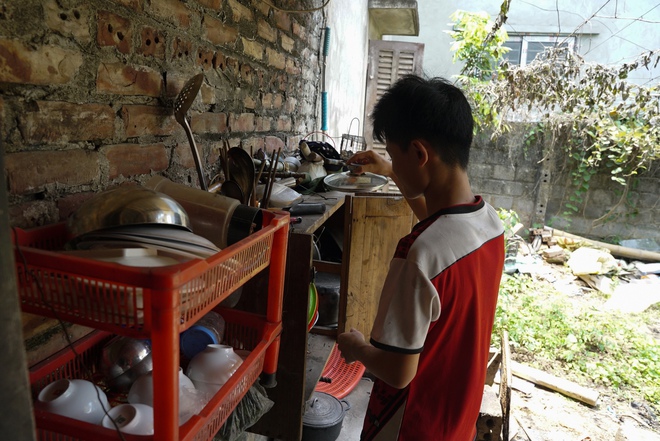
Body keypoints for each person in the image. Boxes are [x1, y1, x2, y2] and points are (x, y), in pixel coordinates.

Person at [337, 75, 505, 441]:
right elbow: (438, 226)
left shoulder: (418, 255)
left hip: (412, 425)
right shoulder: (489, 224)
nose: (393, 164)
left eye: (394, 156)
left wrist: (356, 347)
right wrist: (391, 171)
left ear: (419, 153)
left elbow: (397, 372)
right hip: (457, 419)